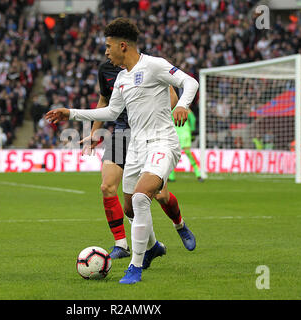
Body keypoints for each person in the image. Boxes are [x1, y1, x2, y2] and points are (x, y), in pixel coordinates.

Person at [46, 18, 199, 284]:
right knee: (130, 207)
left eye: (108, 46)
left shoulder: (154, 65)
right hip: (136, 147)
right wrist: (70, 113)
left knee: (141, 198)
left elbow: (190, 82)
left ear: (123, 46)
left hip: (162, 142)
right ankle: (153, 247)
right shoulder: (121, 79)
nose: (106, 52)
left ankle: (135, 266)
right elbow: (111, 111)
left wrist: (184, 104)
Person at [81, 60, 196, 262]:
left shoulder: (147, 65)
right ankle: (121, 244)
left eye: (110, 45)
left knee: (161, 196)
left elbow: (172, 96)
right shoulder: (106, 70)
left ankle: (179, 225)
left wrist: (149, 110)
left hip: (148, 134)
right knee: (107, 186)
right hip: (121, 133)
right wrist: (94, 132)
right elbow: (103, 101)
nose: (108, 51)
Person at [168, 107, 203, 182]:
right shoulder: (184, 108)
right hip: (185, 133)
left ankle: (171, 177)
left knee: (172, 155)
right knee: (188, 153)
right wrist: (192, 130)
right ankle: (198, 174)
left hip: (174, 134)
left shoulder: (170, 108)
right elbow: (193, 118)